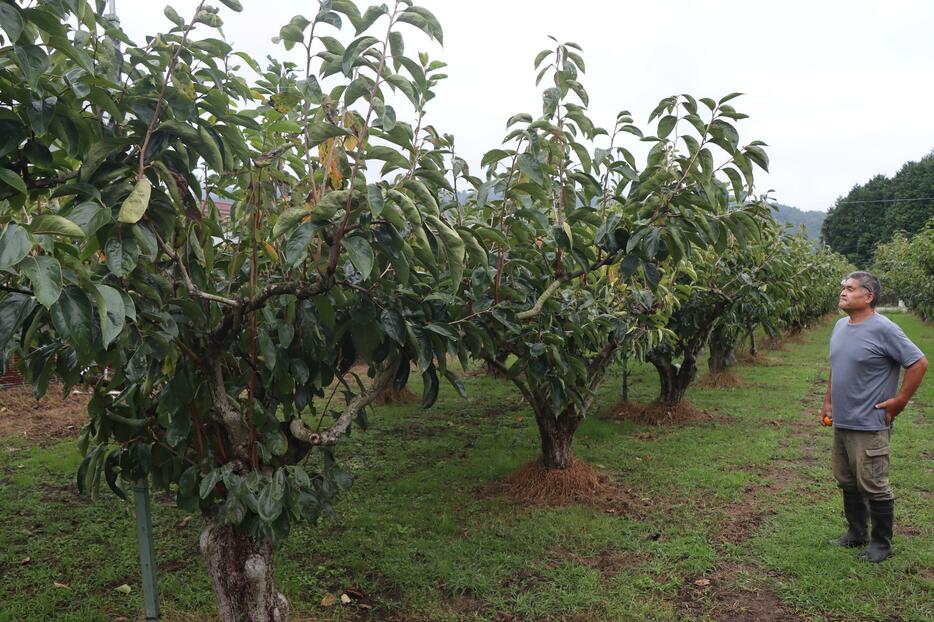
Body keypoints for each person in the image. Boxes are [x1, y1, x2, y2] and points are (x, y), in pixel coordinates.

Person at [820, 271, 927, 562]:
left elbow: (918, 362)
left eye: (850, 288)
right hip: (842, 420)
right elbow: (836, 366)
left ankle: (882, 544)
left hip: (869, 423)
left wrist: (900, 400)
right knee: (847, 479)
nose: (842, 292)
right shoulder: (841, 325)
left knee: (874, 484)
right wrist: (828, 401)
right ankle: (856, 534)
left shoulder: (885, 329)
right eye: (842, 287)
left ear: (868, 296)